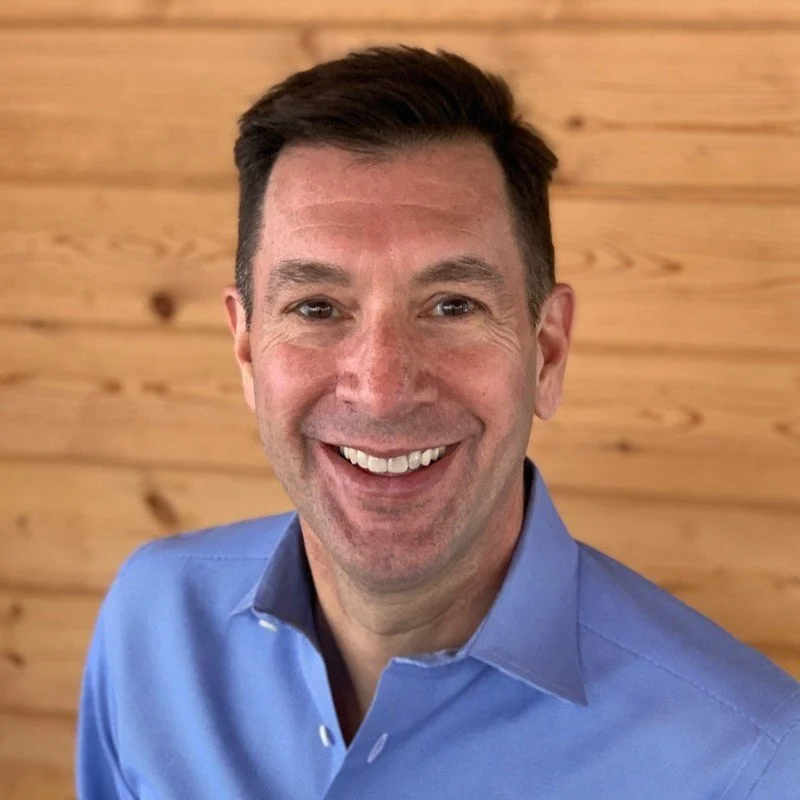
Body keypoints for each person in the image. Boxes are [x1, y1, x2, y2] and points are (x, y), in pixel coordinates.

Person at [76, 46, 800, 799]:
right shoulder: (151, 626)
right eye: (317, 308)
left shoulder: (753, 764)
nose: (383, 389)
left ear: (546, 352)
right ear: (248, 350)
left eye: (453, 305)